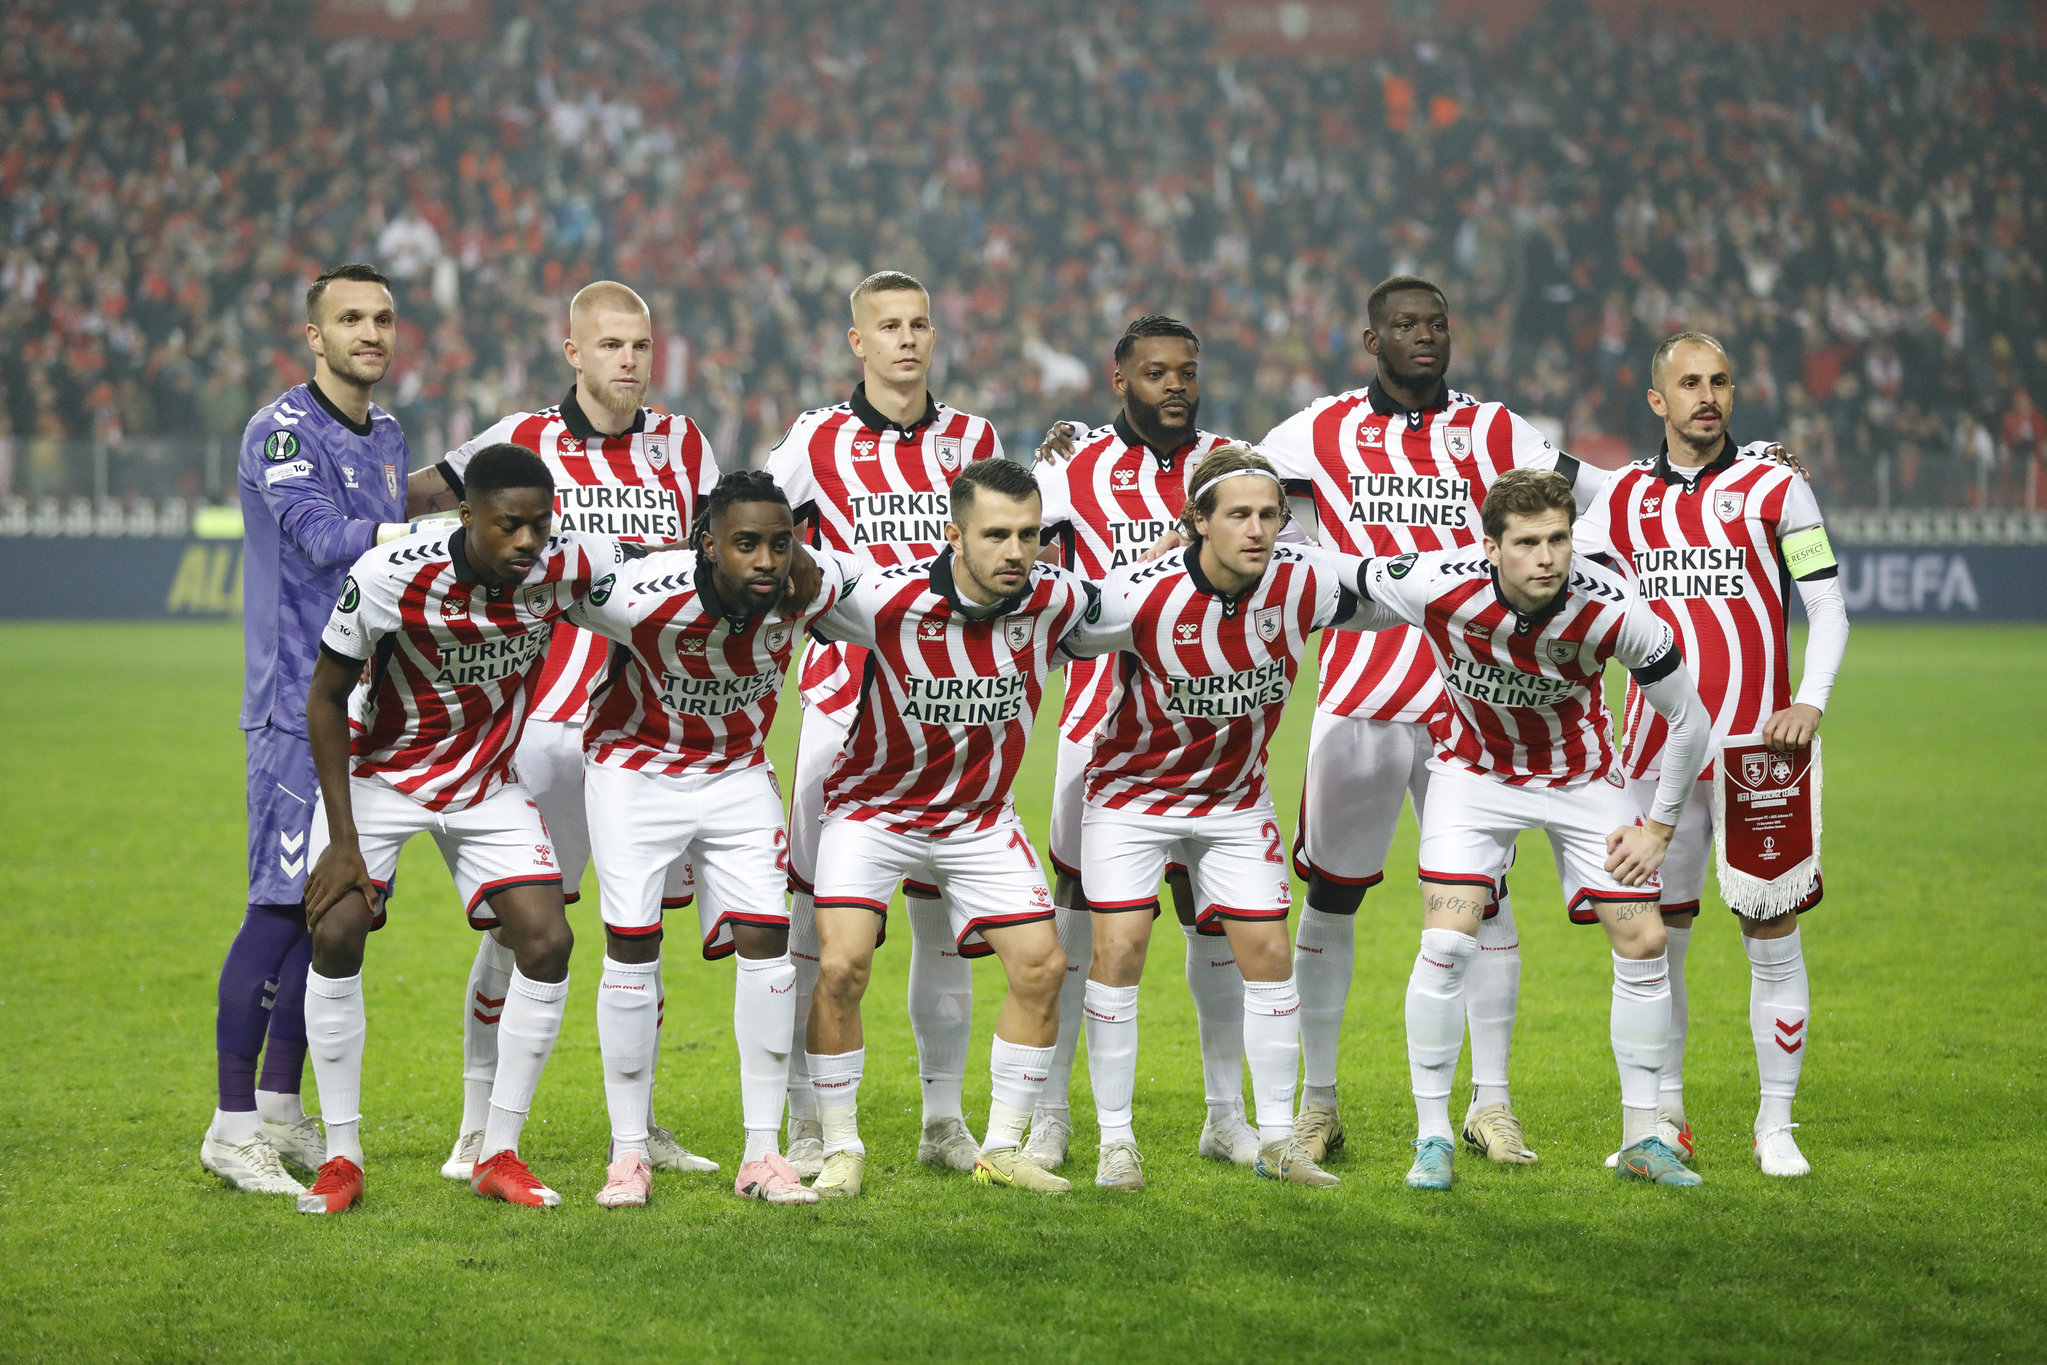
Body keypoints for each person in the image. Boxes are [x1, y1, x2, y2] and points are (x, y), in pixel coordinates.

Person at [1256, 275, 1615, 1168]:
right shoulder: (1318, 428)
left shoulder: (1496, 430)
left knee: (1482, 903)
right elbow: (1224, 481)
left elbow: (1604, 493)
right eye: (1404, 325)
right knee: (1331, 898)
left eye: (1436, 324)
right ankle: (1317, 1102)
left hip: (1474, 708)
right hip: (1359, 700)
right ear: (1371, 340)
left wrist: (1730, 467)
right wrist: (1080, 449)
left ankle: (1490, 1105)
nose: (1424, 336)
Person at [1316, 468, 1714, 1190]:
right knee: (1445, 942)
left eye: (1558, 539)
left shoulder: (1613, 607)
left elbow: (1688, 718)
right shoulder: (1438, 582)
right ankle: (1433, 1137)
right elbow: (1342, 570)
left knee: (1644, 940)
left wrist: (1657, 828)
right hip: (1473, 778)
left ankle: (1642, 1139)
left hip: (1583, 780)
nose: (1546, 557)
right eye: (1527, 542)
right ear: (1491, 548)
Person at [407, 281, 719, 1182]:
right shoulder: (523, 439)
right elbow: (421, 495)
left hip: (649, 727)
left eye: (640, 344)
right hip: (542, 724)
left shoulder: (684, 444)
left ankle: (642, 1124)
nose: (629, 359)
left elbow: (715, 556)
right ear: (574, 352)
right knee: (518, 929)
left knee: (639, 933)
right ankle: (476, 1127)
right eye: (610, 344)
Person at [296, 444, 629, 1214]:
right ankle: (342, 1158)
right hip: (382, 777)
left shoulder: (566, 562)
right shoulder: (389, 576)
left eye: (539, 524)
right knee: (337, 931)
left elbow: (655, 564)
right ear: (467, 515)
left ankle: (496, 1150)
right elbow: (325, 698)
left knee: (547, 941)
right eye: (509, 525)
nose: (527, 541)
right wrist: (343, 842)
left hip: (486, 782)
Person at [1060, 446, 1374, 1192]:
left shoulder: (1306, 578)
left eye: (1270, 514)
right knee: (1120, 951)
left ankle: (1276, 1139)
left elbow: (1399, 594)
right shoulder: (1141, 591)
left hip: (1235, 799)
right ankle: (1115, 1142)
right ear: (1197, 520)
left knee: (1268, 953)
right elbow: (1061, 631)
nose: (1258, 529)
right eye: (1238, 515)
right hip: (1130, 797)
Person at [1577, 332, 1848, 1178]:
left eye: (1719, 381)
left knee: (1771, 936)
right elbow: (1559, 580)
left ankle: (1775, 1124)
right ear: (1657, 400)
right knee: (1656, 943)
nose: (1707, 395)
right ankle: (1665, 1118)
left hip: (1760, 753)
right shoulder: (1619, 498)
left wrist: (1810, 700)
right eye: (1689, 382)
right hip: (1652, 754)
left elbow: (1827, 606)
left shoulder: (1777, 487)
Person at [766, 270, 1004, 1177]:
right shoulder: (817, 438)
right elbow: (755, 524)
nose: (906, 340)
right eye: (889, 327)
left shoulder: (974, 439)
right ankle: (805, 1117)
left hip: (950, 710)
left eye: (919, 324)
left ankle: (942, 1121)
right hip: (842, 707)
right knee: (813, 920)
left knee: (941, 918)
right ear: (857, 342)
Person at [800, 458, 1090, 1198]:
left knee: (1042, 967)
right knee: (841, 967)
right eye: (995, 535)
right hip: (873, 811)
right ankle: (839, 1146)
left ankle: (1001, 1147)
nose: (1016, 552)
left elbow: (1141, 601)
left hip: (978, 819)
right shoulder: (885, 597)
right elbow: (789, 581)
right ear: (954, 536)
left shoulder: (1057, 599)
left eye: (1029, 534)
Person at [563, 470, 849, 1208]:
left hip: (736, 772)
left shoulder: (809, 586)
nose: (766, 561)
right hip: (634, 770)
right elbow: (552, 578)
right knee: (632, 944)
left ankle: (762, 1153)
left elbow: (887, 592)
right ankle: (628, 1153)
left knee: (768, 943)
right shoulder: (640, 595)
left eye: (780, 544)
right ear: (708, 545)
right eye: (746, 544)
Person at [203, 263, 416, 1196]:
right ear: (314, 336)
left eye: (383, 318)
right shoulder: (280, 431)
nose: (370, 332)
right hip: (296, 705)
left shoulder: (389, 434)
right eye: (350, 318)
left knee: (337, 909)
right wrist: (434, 536)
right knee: (280, 905)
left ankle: (282, 1106)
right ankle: (230, 1125)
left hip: (367, 710)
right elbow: (325, 538)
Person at [1026, 314, 1256, 1171]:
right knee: (1078, 922)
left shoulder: (1233, 461)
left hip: (1213, 732)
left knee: (1214, 924)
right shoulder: (1071, 465)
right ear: (1119, 380)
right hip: (1100, 729)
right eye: (1156, 372)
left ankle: (1225, 1115)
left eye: (1186, 371)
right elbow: (1031, 573)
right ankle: (1052, 1114)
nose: (1175, 386)